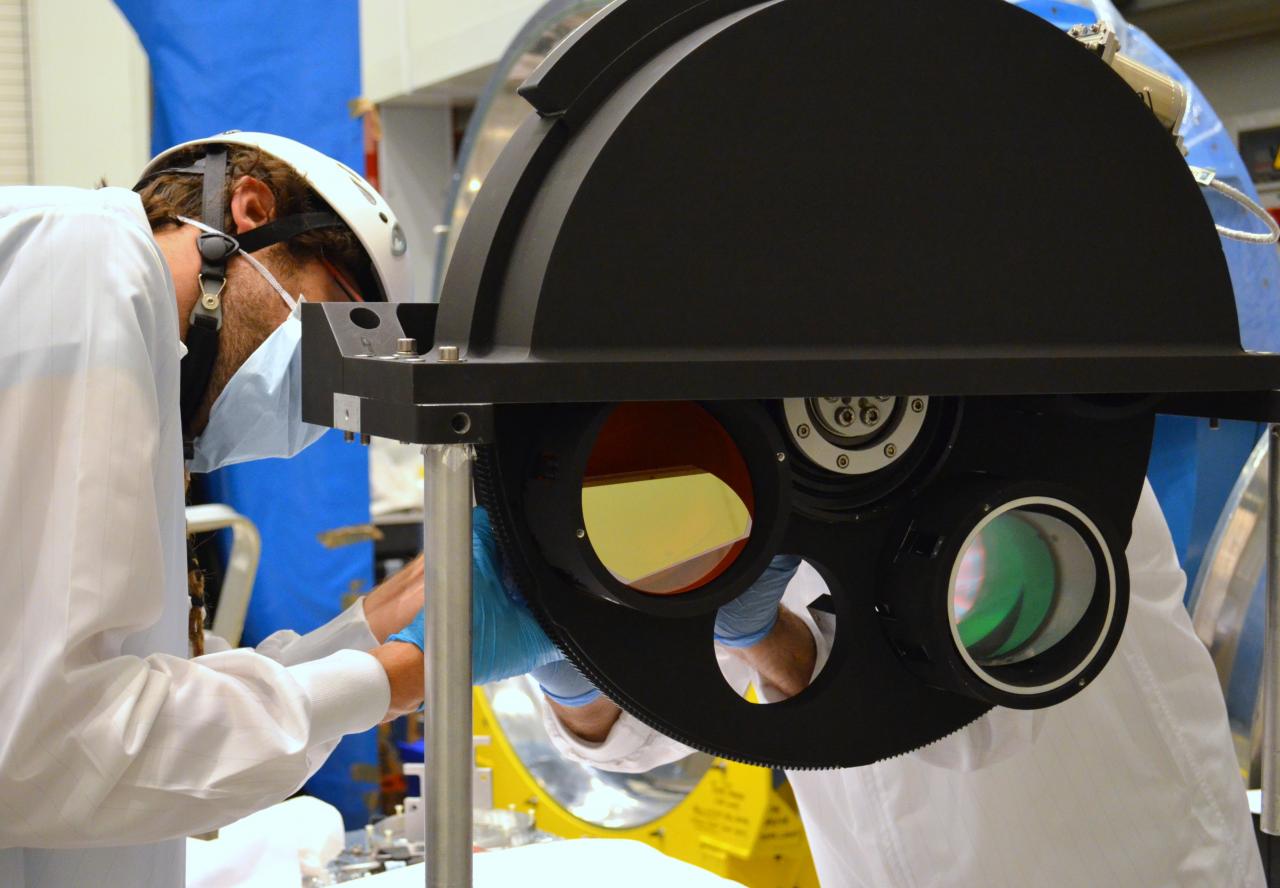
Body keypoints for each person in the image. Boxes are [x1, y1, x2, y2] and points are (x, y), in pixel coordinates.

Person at [497, 3, 1272, 885]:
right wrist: (572, 650)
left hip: (1119, 855)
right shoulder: (714, 404)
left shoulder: (1008, 391)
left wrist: (758, 632)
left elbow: (978, 697)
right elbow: (651, 724)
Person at [0, 132, 544, 887]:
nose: (317, 405)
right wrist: (407, 672)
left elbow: (140, 699)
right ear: (249, 209)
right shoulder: (89, 263)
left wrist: (388, 616)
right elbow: (50, 745)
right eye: (338, 324)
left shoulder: (131, 368)